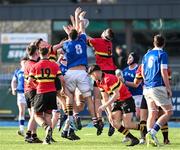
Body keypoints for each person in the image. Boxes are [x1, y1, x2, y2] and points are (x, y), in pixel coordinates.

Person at [60, 7, 99, 140]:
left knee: (69, 98)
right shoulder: (82, 41)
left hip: (69, 73)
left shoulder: (66, 45)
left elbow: (76, 32)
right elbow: (81, 30)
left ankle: (74, 118)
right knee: (88, 98)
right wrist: (79, 18)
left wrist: (76, 19)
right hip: (82, 72)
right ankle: (95, 120)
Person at [88, 64, 142, 146]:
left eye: (91, 75)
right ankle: (133, 139)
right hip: (117, 101)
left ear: (96, 72)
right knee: (113, 122)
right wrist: (109, 113)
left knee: (127, 124)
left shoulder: (108, 79)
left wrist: (104, 106)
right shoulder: (98, 82)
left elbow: (116, 95)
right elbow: (105, 98)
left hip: (126, 99)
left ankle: (145, 128)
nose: (91, 77)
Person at [141, 34, 173, 147]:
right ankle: (153, 132)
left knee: (153, 112)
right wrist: (168, 88)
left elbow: (142, 72)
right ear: (163, 44)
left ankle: (150, 137)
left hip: (147, 88)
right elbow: (164, 72)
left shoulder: (147, 55)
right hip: (157, 86)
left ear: (153, 43)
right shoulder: (162, 54)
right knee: (169, 111)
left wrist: (147, 83)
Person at [28, 47, 64, 144]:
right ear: (48, 54)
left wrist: (37, 85)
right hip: (52, 93)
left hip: (41, 92)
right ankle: (48, 138)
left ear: (39, 54)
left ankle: (46, 127)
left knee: (36, 115)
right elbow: (61, 78)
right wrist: (61, 90)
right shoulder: (54, 65)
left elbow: (29, 81)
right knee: (48, 115)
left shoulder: (35, 66)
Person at [88, 28, 117, 136]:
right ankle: (109, 121)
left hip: (101, 72)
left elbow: (83, 36)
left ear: (105, 34)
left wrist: (80, 21)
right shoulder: (109, 43)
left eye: (104, 31)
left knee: (98, 98)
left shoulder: (99, 41)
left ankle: (102, 120)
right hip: (111, 71)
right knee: (109, 99)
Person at [24, 44, 42, 143]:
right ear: (36, 52)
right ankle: (28, 134)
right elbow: (30, 80)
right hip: (33, 91)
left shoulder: (27, 63)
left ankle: (34, 135)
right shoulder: (33, 64)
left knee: (34, 115)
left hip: (27, 91)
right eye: (38, 50)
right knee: (35, 115)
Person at [11, 57, 28, 136]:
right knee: (21, 111)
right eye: (23, 62)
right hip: (20, 93)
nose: (24, 63)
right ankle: (21, 129)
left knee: (33, 113)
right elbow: (13, 81)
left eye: (26, 62)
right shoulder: (17, 71)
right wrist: (13, 89)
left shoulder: (30, 70)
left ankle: (31, 130)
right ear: (21, 63)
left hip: (29, 93)